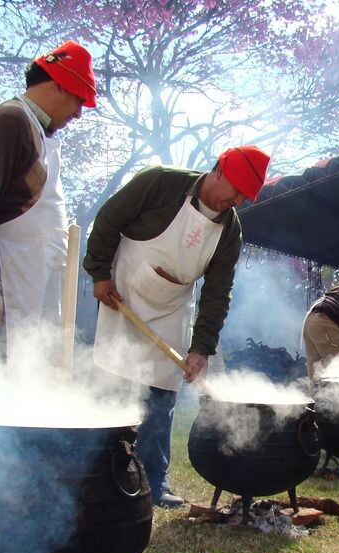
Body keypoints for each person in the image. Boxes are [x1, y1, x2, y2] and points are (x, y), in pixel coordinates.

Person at [83, 145, 271, 508]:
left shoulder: (230, 231)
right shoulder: (160, 182)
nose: (237, 200)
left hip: (172, 307)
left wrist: (201, 348)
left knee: (161, 395)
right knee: (112, 381)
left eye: (245, 195)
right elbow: (108, 219)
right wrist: (99, 273)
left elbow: (217, 292)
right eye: (236, 189)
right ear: (219, 170)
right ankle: (102, 472)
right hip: (123, 292)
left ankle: (154, 480)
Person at [0, 40, 96, 356]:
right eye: (79, 99)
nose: (78, 113)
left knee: (20, 388)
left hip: (28, 282)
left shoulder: (38, 133)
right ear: (59, 85)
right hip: (0, 281)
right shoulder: (7, 122)